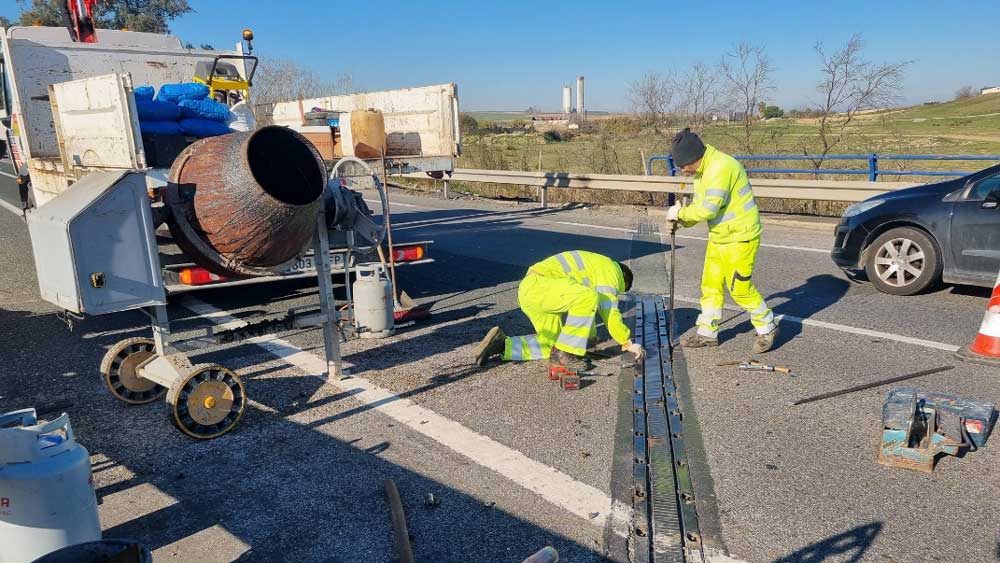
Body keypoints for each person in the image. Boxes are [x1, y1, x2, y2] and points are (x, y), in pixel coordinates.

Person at [664, 128, 779, 353]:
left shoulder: (721, 167)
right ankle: (707, 333)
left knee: (740, 289)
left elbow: (708, 208)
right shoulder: (703, 171)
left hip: (741, 236)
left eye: (682, 165)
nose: (682, 170)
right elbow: (701, 206)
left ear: (692, 157)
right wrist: (681, 220)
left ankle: (767, 327)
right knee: (711, 286)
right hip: (720, 236)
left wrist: (679, 214)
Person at [473, 250, 646, 373]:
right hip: (540, 286)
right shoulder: (611, 271)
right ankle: (563, 354)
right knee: (587, 298)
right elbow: (609, 310)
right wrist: (627, 342)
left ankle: (502, 344)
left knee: (551, 345)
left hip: (530, 291)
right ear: (623, 279)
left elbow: (592, 309)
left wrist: (591, 336)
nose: (616, 292)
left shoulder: (597, 266)